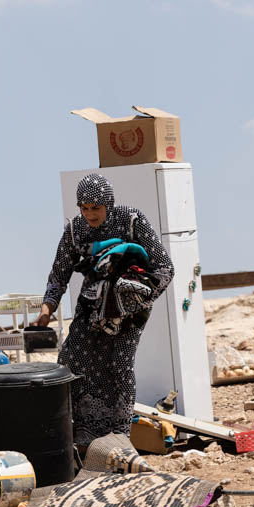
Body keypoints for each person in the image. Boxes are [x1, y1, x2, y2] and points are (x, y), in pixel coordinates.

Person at [33, 173, 174, 449]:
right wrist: (46, 309)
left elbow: (165, 269)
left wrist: (135, 297)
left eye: (95, 208)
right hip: (91, 307)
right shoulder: (76, 231)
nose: (90, 214)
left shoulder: (131, 220)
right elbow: (59, 275)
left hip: (129, 310)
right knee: (73, 360)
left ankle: (119, 437)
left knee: (119, 364)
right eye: (84, 208)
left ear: (108, 204)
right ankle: (85, 433)